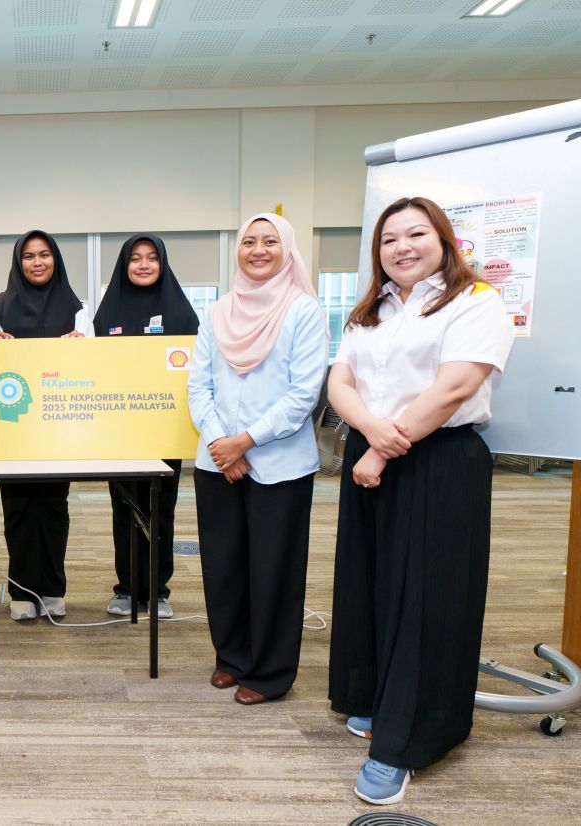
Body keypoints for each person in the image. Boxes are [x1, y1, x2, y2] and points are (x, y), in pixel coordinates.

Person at [326, 196, 515, 806]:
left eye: (416, 234)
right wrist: (371, 436)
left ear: (444, 240)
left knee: (428, 598)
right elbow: (341, 380)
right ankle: (376, 699)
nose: (402, 247)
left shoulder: (475, 301)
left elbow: (455, 386)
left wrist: (384, 446)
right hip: (372, 452)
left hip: (436, 461)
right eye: (389, 240)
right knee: (372, 585)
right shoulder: (370, 308)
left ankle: (405, 743)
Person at [188, 213, 328, 707]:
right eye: (249, 241)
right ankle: (232, 658)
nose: (258, 249)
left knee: (274, 570)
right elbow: (198, 386)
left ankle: (269, 672)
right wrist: (221, 444)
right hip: (217, 462)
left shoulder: (303, 311)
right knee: (223, 567)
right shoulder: (217, 311)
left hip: (280, 464)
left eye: (270, 241)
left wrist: (244, 441)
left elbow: (303, 393)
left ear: (287, 249)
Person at [0, 230, 92, 620]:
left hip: (60, 429)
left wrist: (80, 349)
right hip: (12, 431)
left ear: (55, 259)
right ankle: (22, 591)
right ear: (18, 262)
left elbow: (94, 371)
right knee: (19, 510)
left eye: (44, 255)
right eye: (28, 256)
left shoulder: (78, 309)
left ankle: (54, 589)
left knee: (55, 509)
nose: (37, 262)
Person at [93, 234, 199, 618]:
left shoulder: (182, 314)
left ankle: (158, 590)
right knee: (123, 508)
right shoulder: (106, 315)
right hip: (119, 431)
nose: (142, 265)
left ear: (162, 263)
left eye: (151, 258)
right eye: (135, 258)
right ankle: (125, 589)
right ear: (124, 265)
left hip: (165, 429)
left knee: (161, 508)